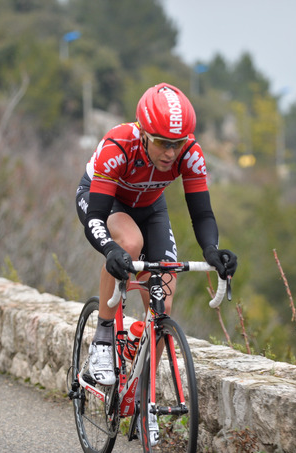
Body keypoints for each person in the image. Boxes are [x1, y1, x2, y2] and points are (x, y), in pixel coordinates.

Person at [75, 82, 237, 444]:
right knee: (129, 244)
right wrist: (110, 251)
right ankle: (103, 338)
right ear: (144, 132)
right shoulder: (119, 146)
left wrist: (213, 250)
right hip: (105, 202)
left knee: (165, 287)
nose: (171, 152)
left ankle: (143, 388)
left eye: (177, 143)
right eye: (163, 142)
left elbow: (202, 213)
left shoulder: (189, 154)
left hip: (151, 207)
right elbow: (96, 218)